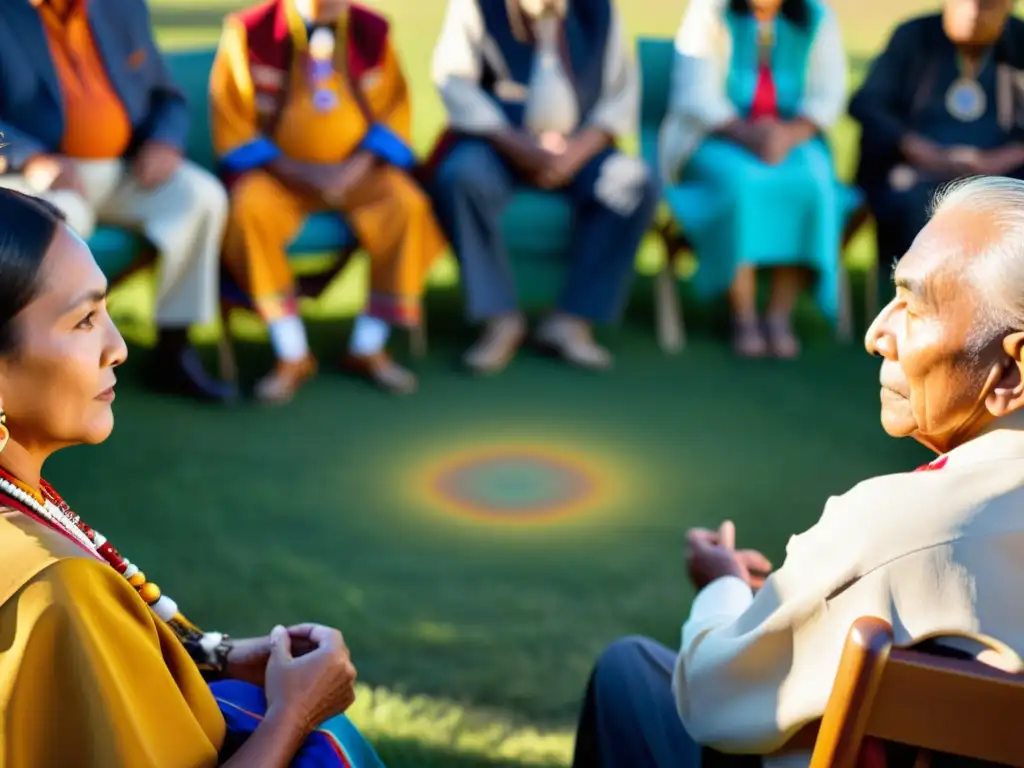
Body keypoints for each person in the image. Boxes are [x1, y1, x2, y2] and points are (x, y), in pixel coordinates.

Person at [571, 175, 1024, 766]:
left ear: (1013, 372)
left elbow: (713, 700)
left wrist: (721, 587)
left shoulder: (899, 528)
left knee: (627, 671)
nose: (876, 333)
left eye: (913, 306)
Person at [0, 188, 383, 766]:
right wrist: (296, 713)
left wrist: (220, 653)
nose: (119, 347)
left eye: (108, 311)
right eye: (83, 321)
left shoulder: (22, 508)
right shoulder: (59, 586)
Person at [0, 0, 235, 403]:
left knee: (200, 197)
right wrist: (30, 157)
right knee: (55, 230)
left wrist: (164, 142)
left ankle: (174, 350)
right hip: (39, 176)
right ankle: (48, 367)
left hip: (128, 168)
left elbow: (168, 97)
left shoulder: (120, 7)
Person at [210, 0, 446, 402]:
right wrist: (301, 173)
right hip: (278, 177)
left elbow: (394, 111)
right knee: (248, 211)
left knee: (407, 206)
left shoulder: (372, 30)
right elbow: (232, 121)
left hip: (360, 174)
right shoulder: (249, 32)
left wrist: (352, 170)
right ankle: (292, 353)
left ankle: (368, 346)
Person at [429, 0, 659, 375]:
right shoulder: (475, 6)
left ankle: (571, 320)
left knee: (634, 183)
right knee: (460, 176)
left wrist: (574, 154)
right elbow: (456, 85)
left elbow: (621, 94)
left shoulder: (599, 9)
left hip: (578, 149)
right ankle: (500, 319)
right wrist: (521, 147)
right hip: (498, 144)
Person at [659, 0, 848, 358]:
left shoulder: (817, 16)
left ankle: (779, 313)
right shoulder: (710, 11)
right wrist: (748, 134)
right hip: (718, 136)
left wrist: (787, 135)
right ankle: (742, 314)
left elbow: (828, 95)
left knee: (812, 183)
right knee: (743, 184)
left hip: (794, 137)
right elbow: (696, 94)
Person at [849, 0, 1024, 305]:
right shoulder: (913, 36)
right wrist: (914, 147)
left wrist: (1006, 157)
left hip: (1004, 175)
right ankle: (925, 306)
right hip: (917, 171)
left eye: (986, 4)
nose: (973, 11)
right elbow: (868, 104)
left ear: (1008, 7)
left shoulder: (1020, 42)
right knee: (918, 204)